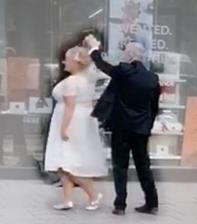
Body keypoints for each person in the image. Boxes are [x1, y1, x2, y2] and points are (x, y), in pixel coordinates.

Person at [84, 34, 160, 215]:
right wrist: (147, 125)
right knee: (144, 166)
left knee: (120, 166)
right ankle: (152, 202)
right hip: (141, 128)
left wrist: (94, 49)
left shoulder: (122, 71)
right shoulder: (152, 78)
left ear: (128, 56)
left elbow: (103, 66)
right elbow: (154, 107)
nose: (123, 56)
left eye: (125, 53)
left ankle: (120, 205)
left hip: (122, 126)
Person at [44, 46, 109, 211]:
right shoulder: (85, 80)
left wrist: (64, 128)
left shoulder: (73, 81)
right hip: (80, 121)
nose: (64, 62)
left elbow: (70, 107)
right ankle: (67, 199)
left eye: (67, 58)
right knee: (64, 163)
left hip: (70, 122)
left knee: (68, 163)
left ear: (75, 61)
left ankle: (93, 194)